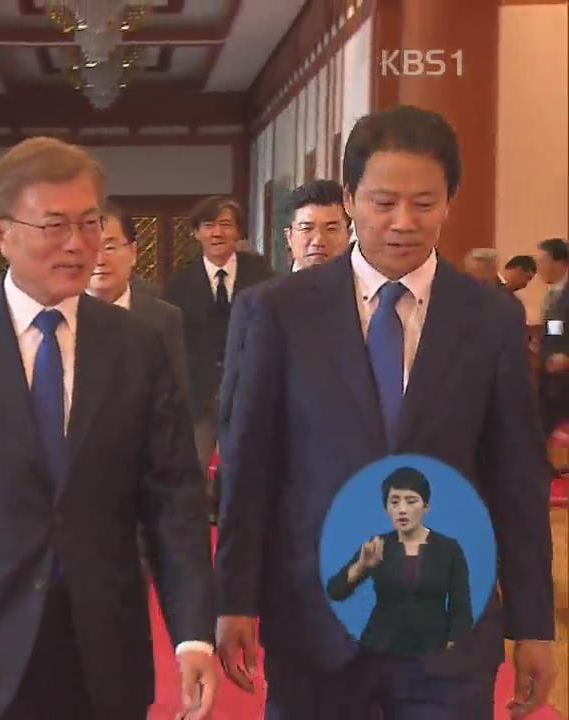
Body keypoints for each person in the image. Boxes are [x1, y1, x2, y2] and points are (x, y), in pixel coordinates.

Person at [216, 105, 556, 718]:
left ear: (450, 199)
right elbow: (249, 466)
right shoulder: (280, 312)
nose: (403, 223)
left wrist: (535, 622)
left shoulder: (490, 319)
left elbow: (516, 478)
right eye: (382, 202)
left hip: (447, 626)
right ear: (349, 198)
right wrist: (233, 598)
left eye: (424, 203)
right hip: (314, 619)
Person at [0, 137, 217, 720]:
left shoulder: (135, 344)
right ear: (2, 232)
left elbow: (173, 498)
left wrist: (192, 633)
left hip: (103, 646)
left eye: (89, 223)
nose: (79, 244)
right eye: (55, 225)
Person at [219, 179, 351, 445]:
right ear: (289, 236)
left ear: (349, 234)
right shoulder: (257, 304)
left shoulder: (369, 300)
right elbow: (237, 399)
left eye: (331, 228)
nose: (318, 240)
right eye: (307, 228)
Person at [162, 196, 274, 499]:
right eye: (208, 225)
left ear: (238, 232)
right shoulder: (178, 284)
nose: (217, 233)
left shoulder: (263, 276)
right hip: (198, 396)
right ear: (196, 233)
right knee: (194, 473)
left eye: (225, 225)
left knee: (250, 470)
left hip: (251, 389)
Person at [325, 467, 473, 656]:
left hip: (431, 652)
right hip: (379, 649)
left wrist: (451, 654)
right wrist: (361, 566)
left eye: (411, 501)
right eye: (394, 502)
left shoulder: (449, 549)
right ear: (386, 508)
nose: (402, 510)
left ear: (426, 506)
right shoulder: (377, 545)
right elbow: (335, 592)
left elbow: (461, 610)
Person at [87, 199, 190, 409]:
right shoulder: (56, 314)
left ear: (133, 252)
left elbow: (176, 401)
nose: (100, 259)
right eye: (89, 248)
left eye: (109, 247)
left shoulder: (163, 318)